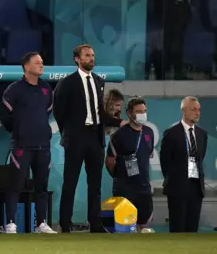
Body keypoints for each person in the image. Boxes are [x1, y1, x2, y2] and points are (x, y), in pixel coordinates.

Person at [52, 44, 126, 233]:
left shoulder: (99, 81)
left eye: (93, 55)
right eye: (87, 55)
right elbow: (59, 112)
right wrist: (68, 133)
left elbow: (100, 113)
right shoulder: (67, 83)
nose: (92, 58)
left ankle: (95, 223)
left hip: (95, 137)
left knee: (95, 183)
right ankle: (65, 224)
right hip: (76, 138)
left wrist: (120, 122)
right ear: (77, 59)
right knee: (70, 182)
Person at [0, 52, 57, 234]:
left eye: (42, 62)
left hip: (43, 146)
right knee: (15, 185)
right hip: (21, 146)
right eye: (37, 62)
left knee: (41, 186)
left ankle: (41, 223)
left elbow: (47, 112)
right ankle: (10, 223)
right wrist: (20, 131)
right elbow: (5, 118)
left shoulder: (47, 89)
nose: (42, 65)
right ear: (26, 67)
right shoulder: (14, 90)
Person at [105, 97, 155, 232]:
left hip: (144, 188)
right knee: (124, 229)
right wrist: (119, 177)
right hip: (124, 189)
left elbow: (147, 155)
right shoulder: (118, 135)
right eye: (138, 111)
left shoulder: (149, 132)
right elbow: (109, 161)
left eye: (144, 111)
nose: (142, 114)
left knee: (144, 227)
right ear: (129, 113)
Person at [160, 96, 207, 233]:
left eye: (199, 110)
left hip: (196, 188)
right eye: (193, 109)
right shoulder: (171, 133)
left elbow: (200, 158)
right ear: (183, 111)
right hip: (177, 188)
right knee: (177, 228)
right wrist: (173, 179)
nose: (197, 113)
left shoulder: (202, 134)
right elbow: (165, 162)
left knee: (192, 228)